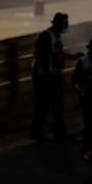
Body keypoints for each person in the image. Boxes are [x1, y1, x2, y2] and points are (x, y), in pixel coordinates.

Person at [31, 12, 82, 141]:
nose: (67, 25)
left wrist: (73, 57)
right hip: (46, 77)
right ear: (60, 23)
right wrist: (44, 72)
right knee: (44, 105)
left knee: (57, 105)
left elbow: (57, 54)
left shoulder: (56, 36)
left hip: (54, 74)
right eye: (65, 22)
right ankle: (39, 133)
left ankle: (58, 133)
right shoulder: (46, 35)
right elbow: (39, 54)